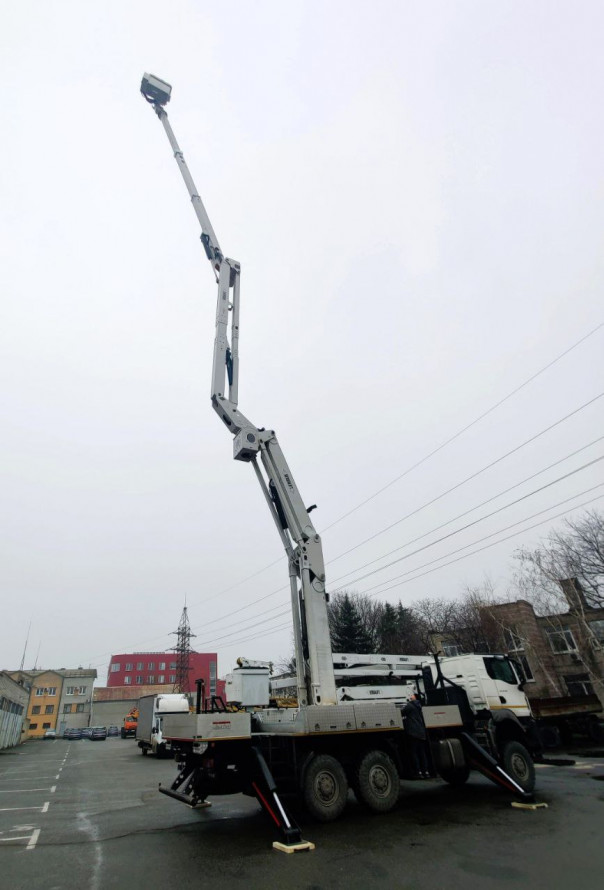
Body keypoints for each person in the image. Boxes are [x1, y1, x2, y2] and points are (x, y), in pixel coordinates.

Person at [402, 693, 431, 778]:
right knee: (422, 752)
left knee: (414, 752)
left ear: (414, 698)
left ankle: (418, 772)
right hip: (421, 732)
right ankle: (426, 771)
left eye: (412, 696)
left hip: (413, 732)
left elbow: (401, 712)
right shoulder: (419, 706)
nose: (411, 696)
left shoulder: (410, 706)